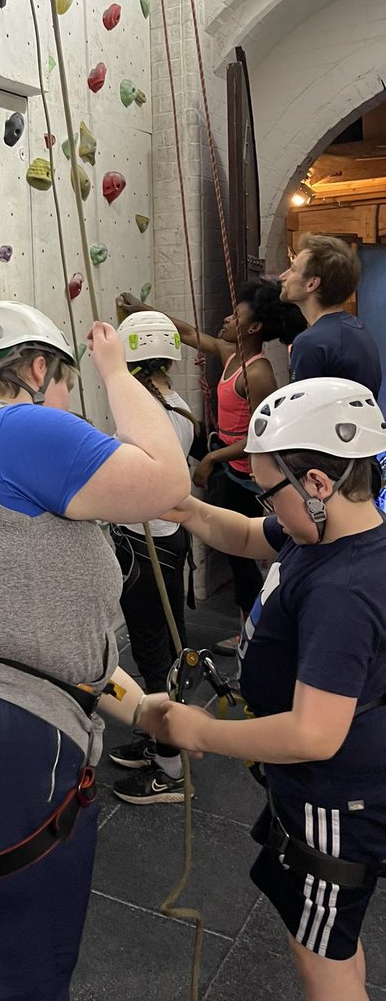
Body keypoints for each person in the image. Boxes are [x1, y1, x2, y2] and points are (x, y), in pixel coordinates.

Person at [0, 301, 191, 1001]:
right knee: (33, 966)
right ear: (40, 367)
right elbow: (168, 487)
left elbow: (30, 629)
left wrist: (136, 709)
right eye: (68, 383)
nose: (70, 404)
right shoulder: (20, 427)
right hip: (1, 741)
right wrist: (116, 370)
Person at [145, 377, 386, 1001]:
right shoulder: (326, 535)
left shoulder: (344, 590)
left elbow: (313, 733)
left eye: (266, 488)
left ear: (317, 483)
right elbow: (251, 537)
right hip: (320, 791)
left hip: (336, 799)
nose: (262, 503)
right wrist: (192, 511)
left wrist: (202, 731)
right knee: (327, 935)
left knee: (320, 962)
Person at [118, 280, 305, 650]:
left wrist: (211, 457)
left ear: (253, 329)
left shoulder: (257, 373)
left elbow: (259, 437)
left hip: (251, 478)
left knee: (246, 558)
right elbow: (186, 332)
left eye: (236, 316)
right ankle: (247, 631)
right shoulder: (228, 352)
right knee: (237, 557)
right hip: (232, 471)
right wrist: (144, 310)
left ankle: (256, 637)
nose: (226, 318)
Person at [107, 312, 200, 804]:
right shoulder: (177, 405)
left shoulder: (146, 413)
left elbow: (131, 475)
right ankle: (160, 739)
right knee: (168, 642)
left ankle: (170, 767)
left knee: (152, 650)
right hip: (165, 540)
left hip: (148, 545)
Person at [279, 234, 382, 397]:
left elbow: (302, 415)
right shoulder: (358, 330)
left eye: (293, 269)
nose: (282, 277)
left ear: (311, 283)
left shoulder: (310, 343)